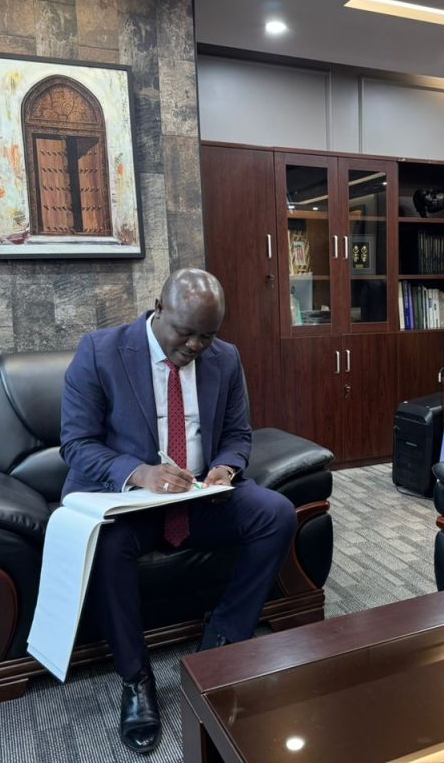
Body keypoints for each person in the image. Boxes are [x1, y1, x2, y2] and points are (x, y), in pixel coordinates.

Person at [60, 268, 297, 754]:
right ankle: (136, 679)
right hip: (130, 504)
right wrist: (140, 473)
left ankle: (222, 644)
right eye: (185, 333)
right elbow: (76, 443)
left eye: (206, 336)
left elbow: (238, 434)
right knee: (105, 545)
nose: (194, 346)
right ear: (158, 308)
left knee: (276, 514)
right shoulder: (101, 352)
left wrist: (226, 468)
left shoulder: (225, 358)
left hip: (200, 496)